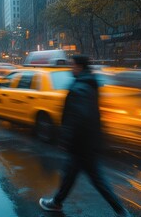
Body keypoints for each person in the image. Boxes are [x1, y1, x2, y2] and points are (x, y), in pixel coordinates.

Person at [39, 55, 130, 217]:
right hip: (90, 140)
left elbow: (77, 117)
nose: (71, 68)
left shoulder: (79, 88)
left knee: (92, 178)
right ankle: (57, 202)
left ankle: (121, 211)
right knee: (75, 175)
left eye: (72, 65)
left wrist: (66, 139)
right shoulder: (90, 84)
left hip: (81, 143)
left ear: (80, 66)